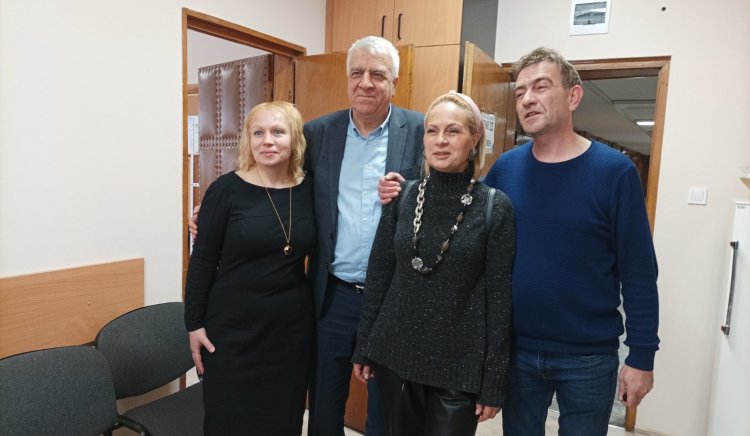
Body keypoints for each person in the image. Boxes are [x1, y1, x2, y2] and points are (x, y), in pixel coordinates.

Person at [378, 47, 660, 436]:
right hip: (518, 350)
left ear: (573, 96)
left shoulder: (614, 173)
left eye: (540, 87)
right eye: (521, 91)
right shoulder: (507, 168)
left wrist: (641, 356)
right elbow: (457, 208)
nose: (527, 99)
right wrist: (404, 189)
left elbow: (639, 272)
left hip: (588, 355)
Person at [189, 36, 424, 436]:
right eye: (357, 72)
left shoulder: (421, 130)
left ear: (395, 82)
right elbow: (276, 187)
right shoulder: (319, 133)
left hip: (392, 297)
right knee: (323, 403)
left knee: (387, 408)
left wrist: (411, 188)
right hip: (331, 296)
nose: (365, 82)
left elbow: (444, 190)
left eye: (378, 74)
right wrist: (209, 216)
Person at [353, 91, 515, 436]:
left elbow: (499, 300)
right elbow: (379, 275)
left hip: (458, 368)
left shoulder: (495, 207)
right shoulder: (402, 197)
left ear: (474, 139)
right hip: (396, 357)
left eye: (453, 131)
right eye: (432, 130)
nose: (441, 140)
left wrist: (493, 380)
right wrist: (363, 346)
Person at [184, 101, 315, 436]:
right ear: (248, 140)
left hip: (290, 331)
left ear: (294, 139)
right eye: (258, 133)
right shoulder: (225, 190)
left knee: (283, 419)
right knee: (230, 420)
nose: (267, 140)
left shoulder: (310, 190)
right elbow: (203, 261)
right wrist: (194, 324)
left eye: (278, 132)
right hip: (232, 332)